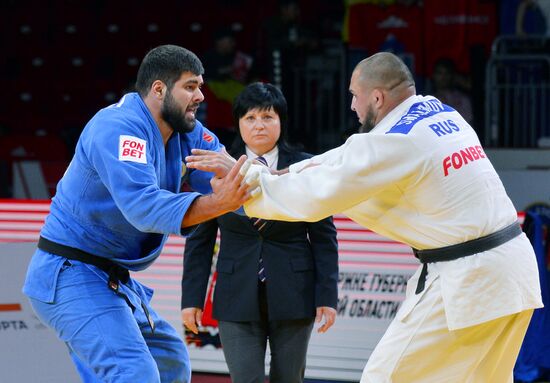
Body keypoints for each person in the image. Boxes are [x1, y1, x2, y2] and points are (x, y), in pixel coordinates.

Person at [185, 52, 543, 382]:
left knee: (383, 377)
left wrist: (242, 175)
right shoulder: (439, 112)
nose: (352, 105)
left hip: (469, 278)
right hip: (514, 273)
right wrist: (270, 173)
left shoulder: (394, 142)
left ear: (377, 98)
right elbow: (344, 157)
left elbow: (313, 196)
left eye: (355, 95)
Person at [22, 44, 253, 383]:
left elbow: (232, 179)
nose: (201, 95)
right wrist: (221, 203)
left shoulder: (186, 132)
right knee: (132, 371)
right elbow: (144, 208)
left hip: (110, 276)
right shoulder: (119, 128)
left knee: (170, 361)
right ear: (158, 89)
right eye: (190, 86)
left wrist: (295, 184)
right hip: (69, 273)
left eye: (200, 86)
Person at [181, 82, 338, 383]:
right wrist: (192, 298)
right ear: (238, 123)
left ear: (281, 121)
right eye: (250, 118)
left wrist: (327, 296)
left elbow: (324, 238)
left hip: (295, 293)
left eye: (268, 117)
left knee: (289, 379)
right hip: (235, 293)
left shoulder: (305, 167)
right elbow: (200, 242)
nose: (259, 126)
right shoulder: (216, 168)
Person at [431, 57, 474, 125]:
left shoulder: (463, 99)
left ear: (452, 75)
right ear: (434, 75)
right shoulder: (428, 100)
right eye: (440, 73)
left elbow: (467, 122)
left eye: (447, 73)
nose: (443, 77)